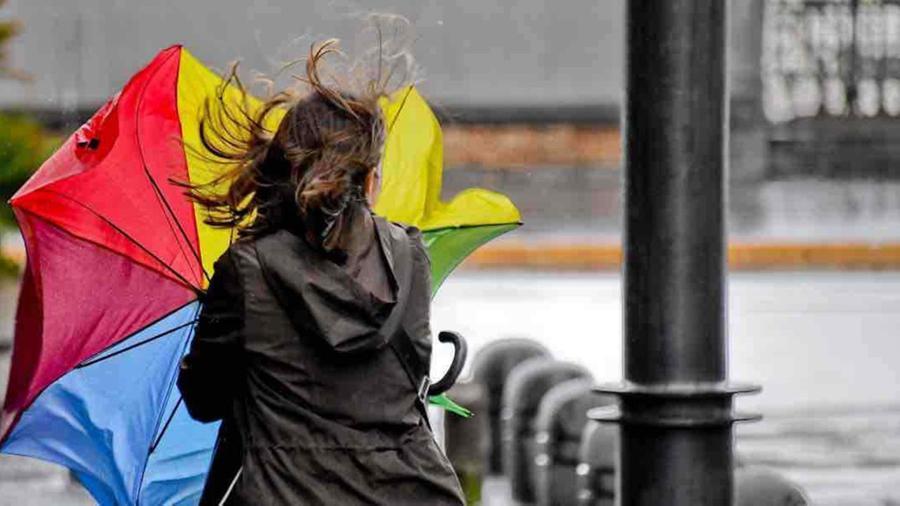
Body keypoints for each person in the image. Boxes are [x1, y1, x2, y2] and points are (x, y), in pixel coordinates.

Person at [176, 39, 465, 506]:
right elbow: (404, 383)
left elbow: (204, 401)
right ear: (370, 179)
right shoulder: (410, 254)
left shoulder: (246, 272)